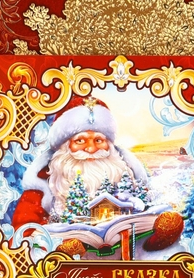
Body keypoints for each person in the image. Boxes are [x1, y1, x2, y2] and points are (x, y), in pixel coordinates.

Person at [11, 96, 147, 229]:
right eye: (80, 140)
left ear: (109, 145)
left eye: (98, 140)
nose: (91, 149)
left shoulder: (130, 178)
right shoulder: (42, 185)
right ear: (65, 146)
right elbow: (23, 232)